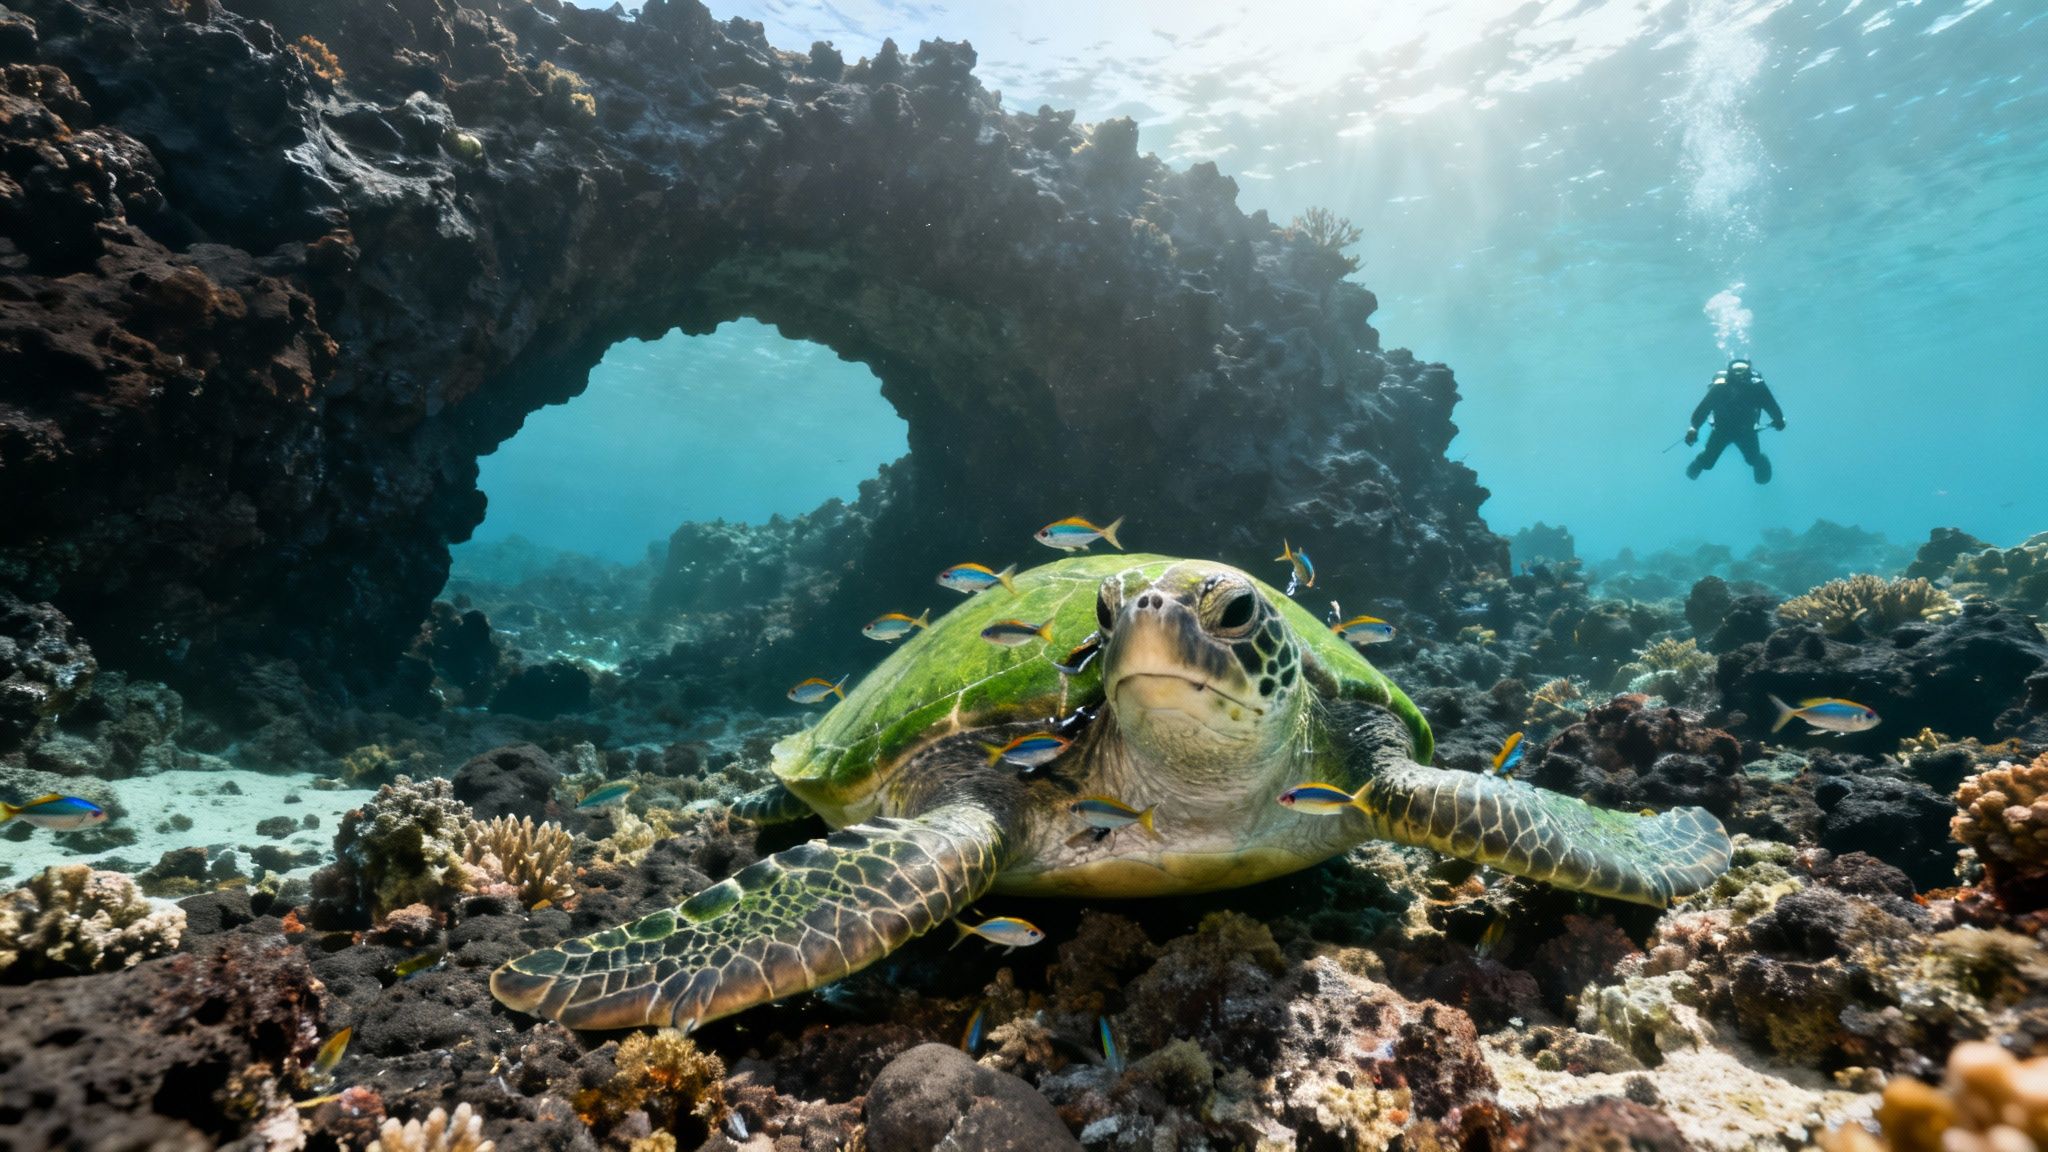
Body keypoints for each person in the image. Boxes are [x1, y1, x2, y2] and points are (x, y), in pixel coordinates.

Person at [1683, 358, 1784, 483]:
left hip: (1741, 432)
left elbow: (1772, 406)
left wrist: (1694, 428)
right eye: (1736, 370)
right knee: (1708, 462)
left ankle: (1760, 466)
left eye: (1742, 369)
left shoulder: (1757, 387)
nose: (1739, 374)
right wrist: (1694, 428)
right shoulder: (1721, 388)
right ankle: (1698, 465)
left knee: (1752, 459)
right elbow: (1703, 409)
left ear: (1749, 370)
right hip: (1725, 432)